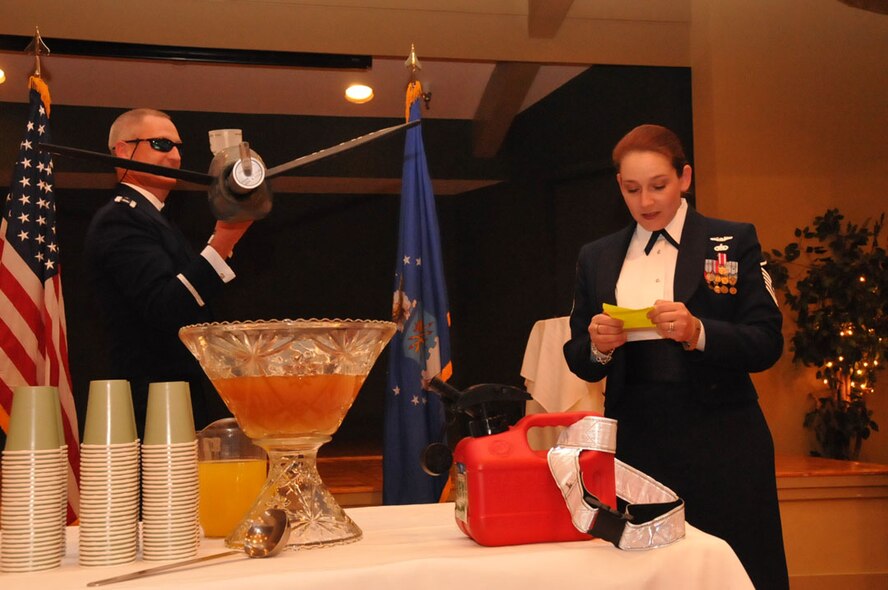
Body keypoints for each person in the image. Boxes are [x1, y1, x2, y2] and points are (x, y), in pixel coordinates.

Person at [563, 124, 788, 589]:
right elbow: (577, 356)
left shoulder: (732, 240)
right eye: (632, 189)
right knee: (650, 572)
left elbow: (766, 341)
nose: (646, 201)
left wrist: (699, 331)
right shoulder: (598, 256)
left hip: (723, 437)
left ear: (685, 178)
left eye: (658, 186)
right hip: (638, 444)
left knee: (740, 566)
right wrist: (598, 348)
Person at [84, 108, 251, 436]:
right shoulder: (120, 219)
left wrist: (222, 243)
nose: (175, 156)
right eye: (161, 144)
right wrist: (222, 241)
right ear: (123, 149)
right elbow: (165, 307)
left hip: (174, 397)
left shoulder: (152, 218)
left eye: (177, 146)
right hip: (151, 404)